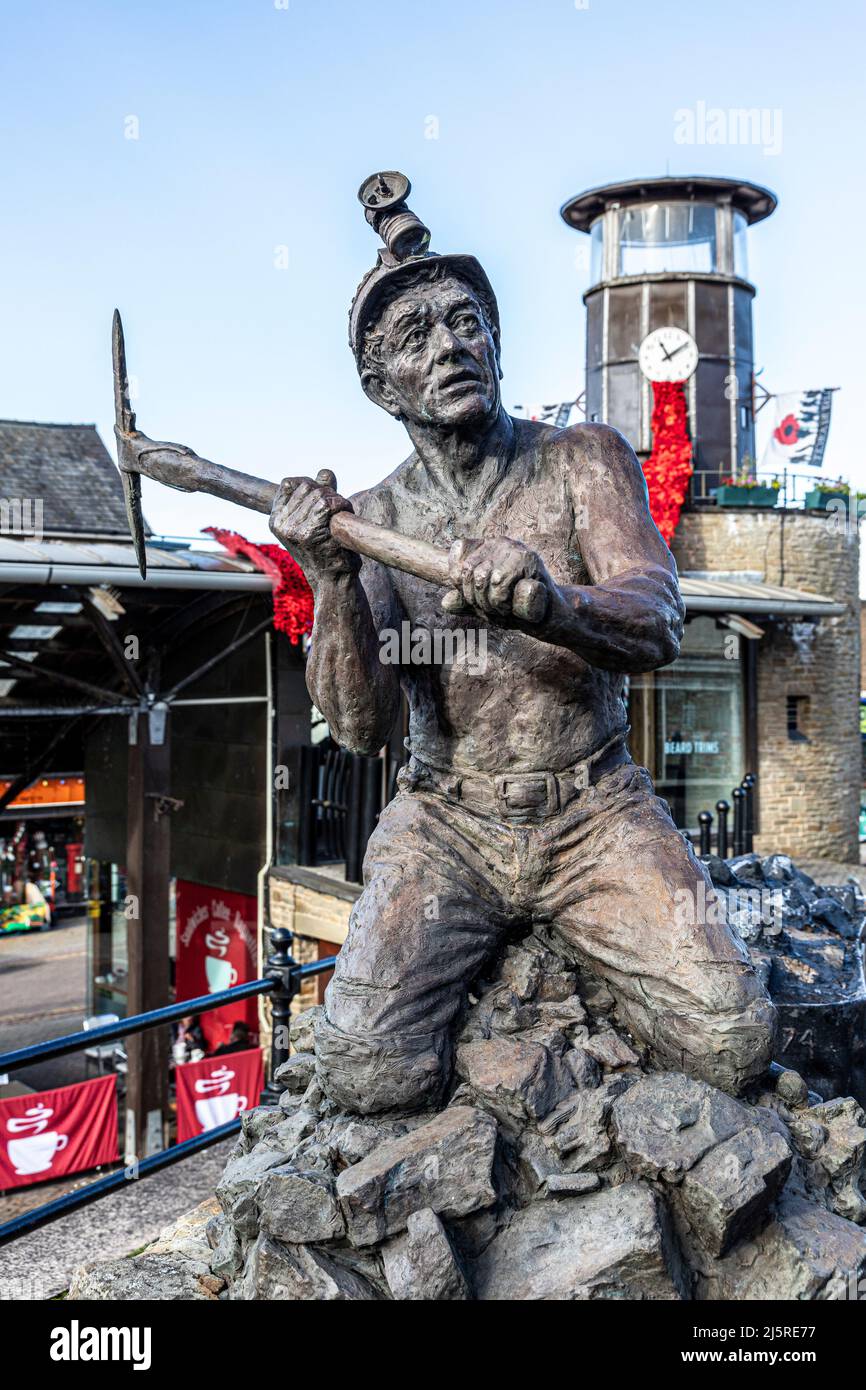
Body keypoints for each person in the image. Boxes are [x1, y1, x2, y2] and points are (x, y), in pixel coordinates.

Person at [264, 176, 778, 1117]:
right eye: (416, 337)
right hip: (447, 822)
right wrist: (333, 580)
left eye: (468, 321)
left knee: (732, 1036)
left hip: (594, 809)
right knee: (366, 1069)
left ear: (497, 341)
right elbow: (365, 726)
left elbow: (657, 619)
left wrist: (550, 602)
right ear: (381, 388)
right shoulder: (371, 521)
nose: (453, 344)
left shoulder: (585, 458)